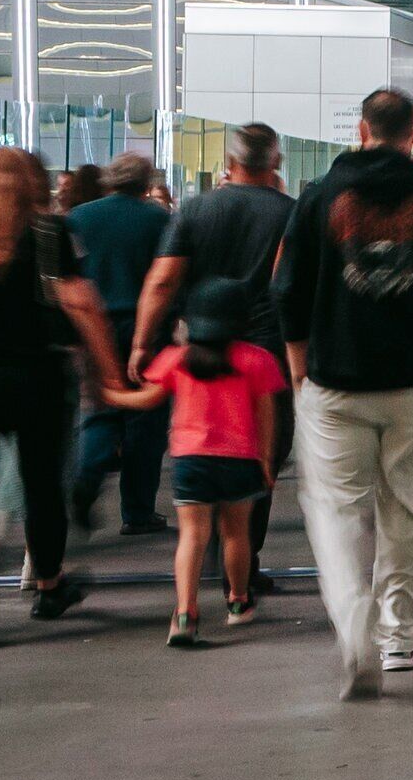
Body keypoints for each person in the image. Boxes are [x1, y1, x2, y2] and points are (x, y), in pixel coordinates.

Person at [276, 87, 413, 698]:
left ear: (362, 129)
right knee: (404, 506)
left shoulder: (319, 198)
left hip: (335, 381)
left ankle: (353, 628)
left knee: (337, 513)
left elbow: (287, 290)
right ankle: (398, 637)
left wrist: (298, 371)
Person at [0, 147, 123, 647]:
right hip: (34, 374)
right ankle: (50, 586)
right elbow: (81, 302)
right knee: (41, 484)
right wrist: (109, 377)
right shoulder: (49, 233)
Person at [134, 123, 298, 567]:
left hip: (202, 350)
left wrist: (141, 343)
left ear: (230, 163)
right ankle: (243, 558)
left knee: (204, 439)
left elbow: (163, 279)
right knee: (264, 451)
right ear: (274, 163)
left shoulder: (194, 210)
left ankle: (207, 547)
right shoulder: (292, 213)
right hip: (268, 350)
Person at [104, 276, 285, 647]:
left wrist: (111, 395)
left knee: (192, 537)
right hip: (239, 460)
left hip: (190, 460)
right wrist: (266, 461)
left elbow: (147, 400)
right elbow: (268, 417)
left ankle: (185, 613)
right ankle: (238, 601)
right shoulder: (257, 359)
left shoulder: (176, 358)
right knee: (236, 534)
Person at [63, 151, 170, 535]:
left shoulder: (78, 218)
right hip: (146, 329)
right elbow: (167, 277)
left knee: (100, 410)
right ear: (146, 182)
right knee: (146, 422)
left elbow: (67, 280)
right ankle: (138, 512)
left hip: (94, 328)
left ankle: (86, 481)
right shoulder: (159, 219)